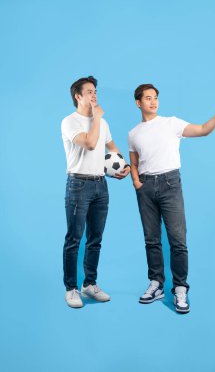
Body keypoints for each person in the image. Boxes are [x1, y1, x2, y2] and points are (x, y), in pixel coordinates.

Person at [128, 83, 215, 314]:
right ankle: (156, 284)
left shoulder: (171, 123)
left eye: (155, 97)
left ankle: (179, 288)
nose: (153, 102)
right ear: (139, 103)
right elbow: (134, 162)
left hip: (170, 184)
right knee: (151, 239)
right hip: (146, 187)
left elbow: (202, 130)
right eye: (148, 98)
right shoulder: (133, 133)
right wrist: (137, 182)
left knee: (177, 240)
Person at [61, 76, 130, 308]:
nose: (94, 95)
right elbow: (90, 143)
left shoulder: (104, 123)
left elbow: (111, 147)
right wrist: (97, 117)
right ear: (77, 96)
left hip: (101, 185)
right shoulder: (69, 122)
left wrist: (123, 165)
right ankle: (71, 289)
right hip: (78, 185)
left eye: (95, 91)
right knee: (74, 239)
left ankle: (89, 284)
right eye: (89, 92)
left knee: (95, 239)